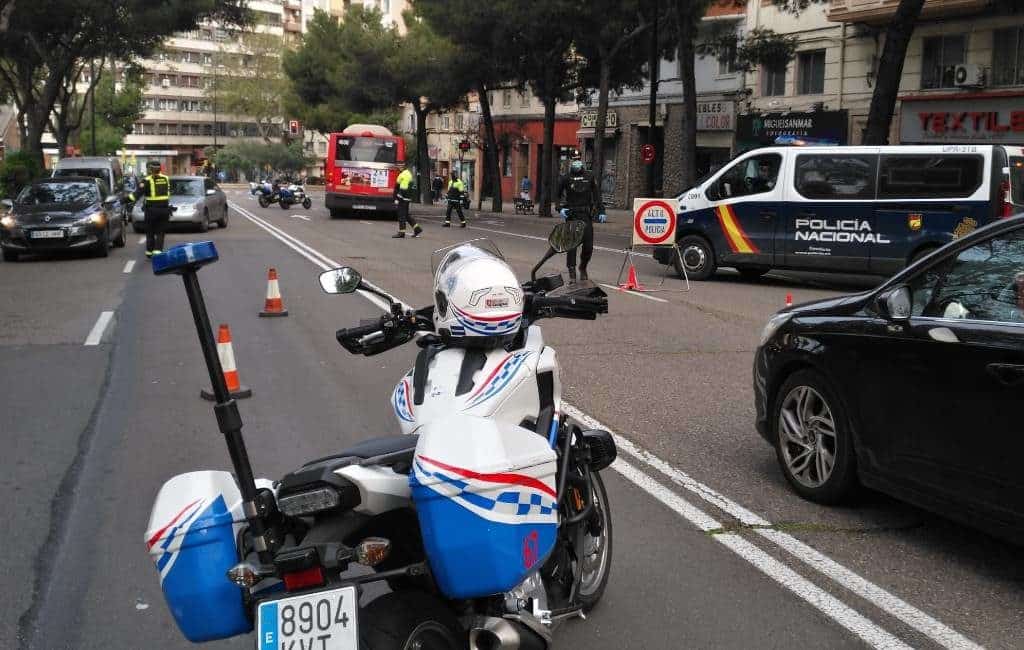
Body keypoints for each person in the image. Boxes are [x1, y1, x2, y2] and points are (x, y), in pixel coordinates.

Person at [556, 152, 605, 282]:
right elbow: (556, 196)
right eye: (574, 160)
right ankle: (572, 273)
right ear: (571, 162)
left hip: (586, 215)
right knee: (572, 246)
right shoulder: (565, 178)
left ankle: (583, 267)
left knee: (588, 246)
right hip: (572, 215)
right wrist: (560, 208)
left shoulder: (589, 176)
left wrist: (602, 211)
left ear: (581, 161)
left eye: (578, 159)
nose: (576, 162)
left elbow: (597, 195)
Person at [129, 161, 171, 258]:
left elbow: (135, 196)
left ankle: (149, 252)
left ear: (150, 170)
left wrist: (122, 201)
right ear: (160, 169)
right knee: (160, 232)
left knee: (150, 231)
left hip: (151, 211)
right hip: (164, 210)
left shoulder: (146, 180)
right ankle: (158, 252)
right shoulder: (166, 178)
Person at [393, 163, 422, 238]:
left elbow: (403, 188)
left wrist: (397, 199)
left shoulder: (403, 175)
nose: (399, 167)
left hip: (403, 199)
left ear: (403, 167)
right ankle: (417, 228)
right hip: (407, 198)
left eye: (400, 166)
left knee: (401, 215)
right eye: (398, 166)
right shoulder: (408, 173)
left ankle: (402, 232)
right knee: (406, 215)